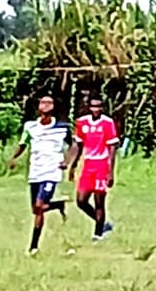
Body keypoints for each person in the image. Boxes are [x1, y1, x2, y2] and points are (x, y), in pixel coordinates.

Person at [8, 94, 72, 255]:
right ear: (38, 107)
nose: (46, 105)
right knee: (35, 209)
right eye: (43, 103)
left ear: (53, 107)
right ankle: (58, 205)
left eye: (49, 103)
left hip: (52, 171)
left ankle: (33, 247)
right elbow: (23, 143)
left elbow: (75, 145)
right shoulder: (30, 127)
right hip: (36, 171)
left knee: (39, 205)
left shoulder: (62, 128)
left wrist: (67, 161)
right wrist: (14, 158)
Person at [68, 95, 119, 242]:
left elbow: (112, 147)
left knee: (99, 200)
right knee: (81, 200)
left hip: (101, 165)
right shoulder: (82, 122)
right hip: (88, 164)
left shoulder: (107, 123)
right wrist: (72, 165)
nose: (96, 109)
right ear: (89, 107)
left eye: (99, 106)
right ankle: (103, 223)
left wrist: (110, 171)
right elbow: (78, 145)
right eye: (93, 106)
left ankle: (98, 233)